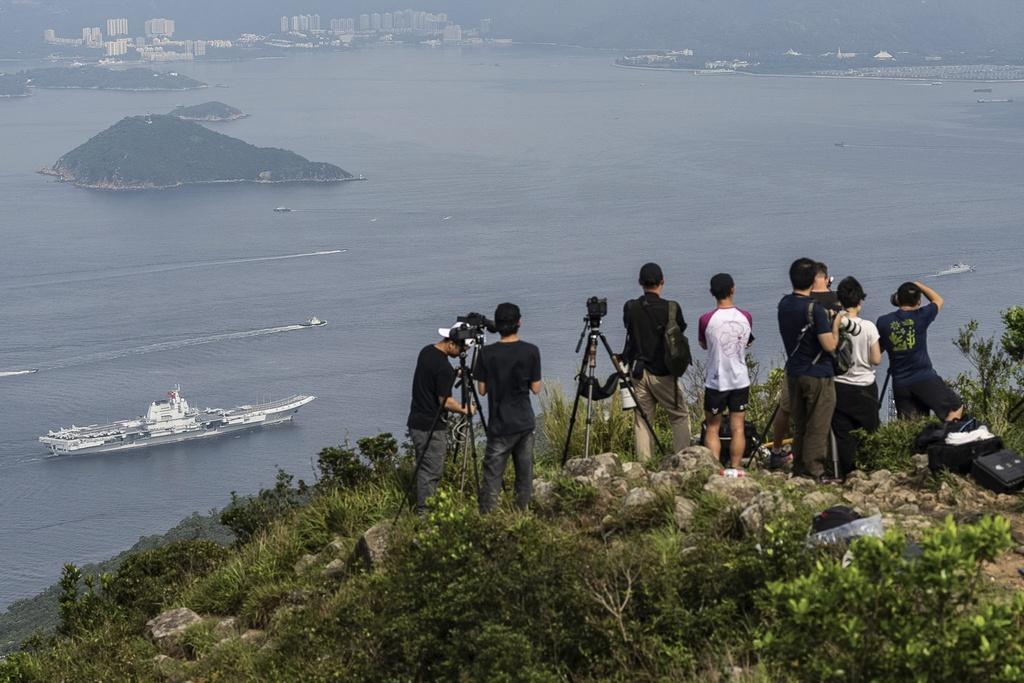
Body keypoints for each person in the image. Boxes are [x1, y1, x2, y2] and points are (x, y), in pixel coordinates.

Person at [778, 257, 846, 482]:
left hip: (794, 371)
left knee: (800, 423)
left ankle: (798, 467)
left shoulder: (785, 304)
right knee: (818, 423)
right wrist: (835, 325)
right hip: (817, 373)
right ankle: (816, 471)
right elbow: (829, 345)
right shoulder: (814, 310)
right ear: (813, 280)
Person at [620, 262, 691, 461]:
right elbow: (680, 332)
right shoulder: (672, 308)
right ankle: (683, 460)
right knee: (678, 415)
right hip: (664, 373)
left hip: (639, 372)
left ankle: (644, 466)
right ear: (662, 282)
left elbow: (629, 329)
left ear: (640, 283)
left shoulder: (631, 307)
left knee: (643, 420)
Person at [477, 303, 542, 513]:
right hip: (524, 421)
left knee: (492, 477)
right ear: (519, 323)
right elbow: (536, 388)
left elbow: (482, 389)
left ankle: (489, 520)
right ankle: (522, 515)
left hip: (500, 424)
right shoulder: (531, 351)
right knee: (524, 475)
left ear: (497, 325)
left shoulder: (487, 353)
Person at [407, 324, 474, 514]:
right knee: (431, 472)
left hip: (417, 422)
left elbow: (433, 379)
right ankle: (426, 515)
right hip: (431, 427)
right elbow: (445, 402)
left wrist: (453, 374)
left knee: (424, 468)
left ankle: (426, 511)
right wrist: (466, 409)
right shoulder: (443, 367)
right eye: (462, 349)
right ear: (452, 344)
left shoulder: (427, 352)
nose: (463, 354)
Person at [877, 281, 963, 422]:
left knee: (912, 427)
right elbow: (938, 300)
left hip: (900, 383)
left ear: (897, 299)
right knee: (954, 408)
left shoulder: (883, 321)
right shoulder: (922, 316)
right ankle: (946, 439)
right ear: (919, 301)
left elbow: (878, 349)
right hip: (924, 378)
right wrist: (918, 285)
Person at [698, 273, 753, 476]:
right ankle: (737, 466)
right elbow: (747, 341)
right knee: (738, 427)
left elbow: (703, 344)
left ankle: (714, 469)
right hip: (740, 379)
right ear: (733, 289)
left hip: (716, 380)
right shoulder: (745, 316)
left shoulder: (706, 319)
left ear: (712, 293)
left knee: (712, 427)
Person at [831, 277, 882, 477]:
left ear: (840, 301)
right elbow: (876, 359)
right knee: (870, 431)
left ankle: (848, 473)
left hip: (840, 386)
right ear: (860, 301)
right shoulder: (868, 327)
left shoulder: (835, 324)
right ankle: (871, 470)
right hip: (864, 385)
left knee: (844, 435)